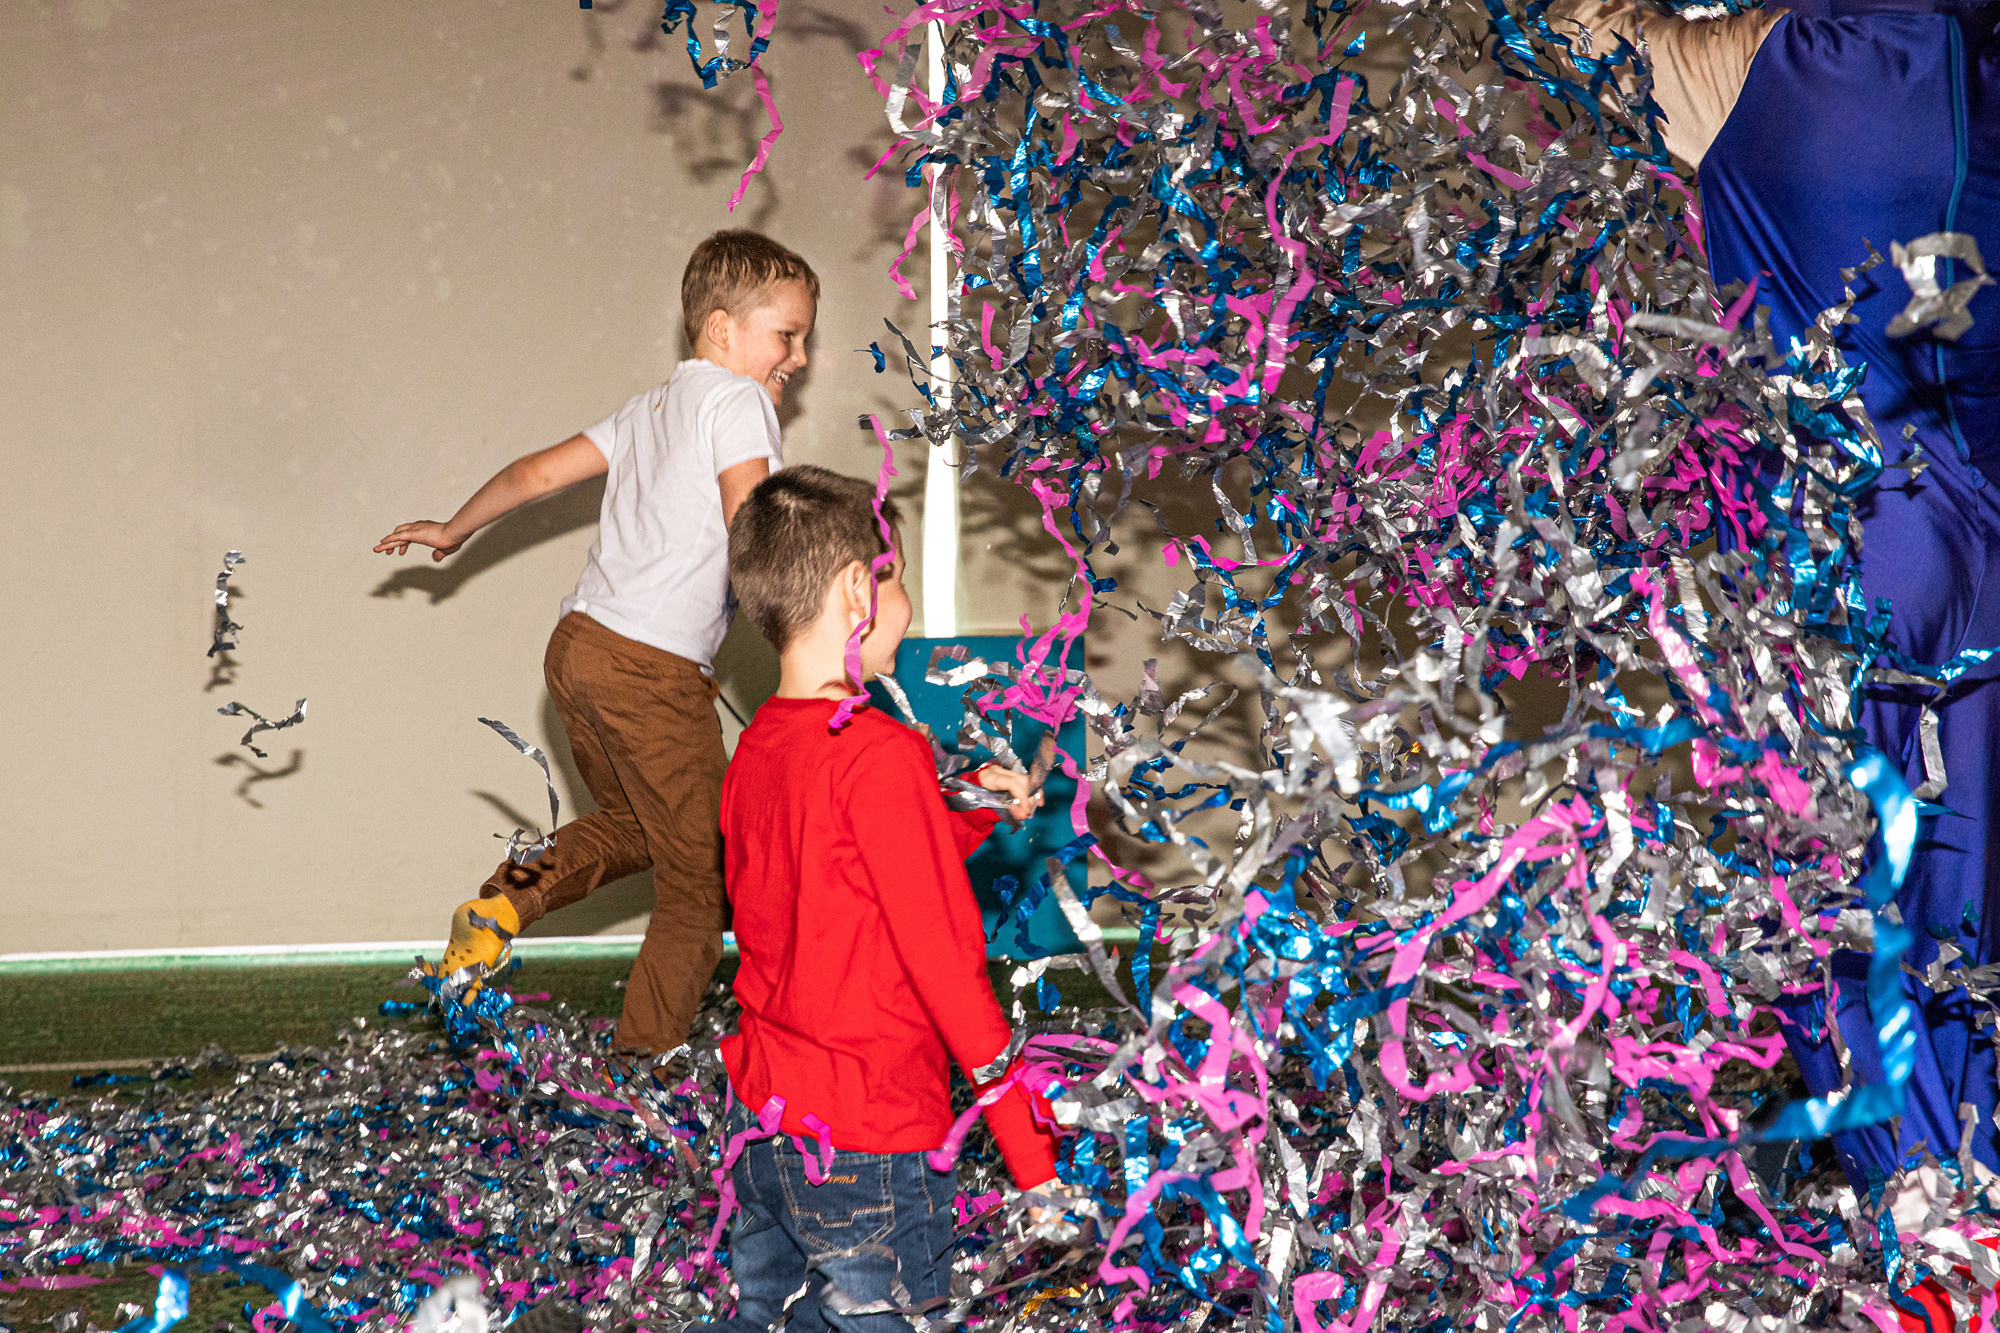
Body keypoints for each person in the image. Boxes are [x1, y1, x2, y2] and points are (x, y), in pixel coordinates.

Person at [373, 229, 818, 1054]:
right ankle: (640, 1061)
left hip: (576, 651)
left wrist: (455, 528)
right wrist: (801, 634)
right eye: (786, 335)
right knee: (702, 880)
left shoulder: (649, 409)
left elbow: (535, 474)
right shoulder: (736, 401)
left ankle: (501, 903)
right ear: (722, 329)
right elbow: (747, 522)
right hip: (649, 670)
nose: (798, 355)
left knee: (635, 825)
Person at [710, 465, 1064, 1333]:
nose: (903, 604)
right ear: (853, 591)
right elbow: (944, 964)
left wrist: (969, 808)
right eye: (895, 576)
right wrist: (1029, 1153)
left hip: (763, 1125)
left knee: (769, 1319)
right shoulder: (881, 755)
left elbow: (842, 883)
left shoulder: (756, 747)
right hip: (868, 1142)